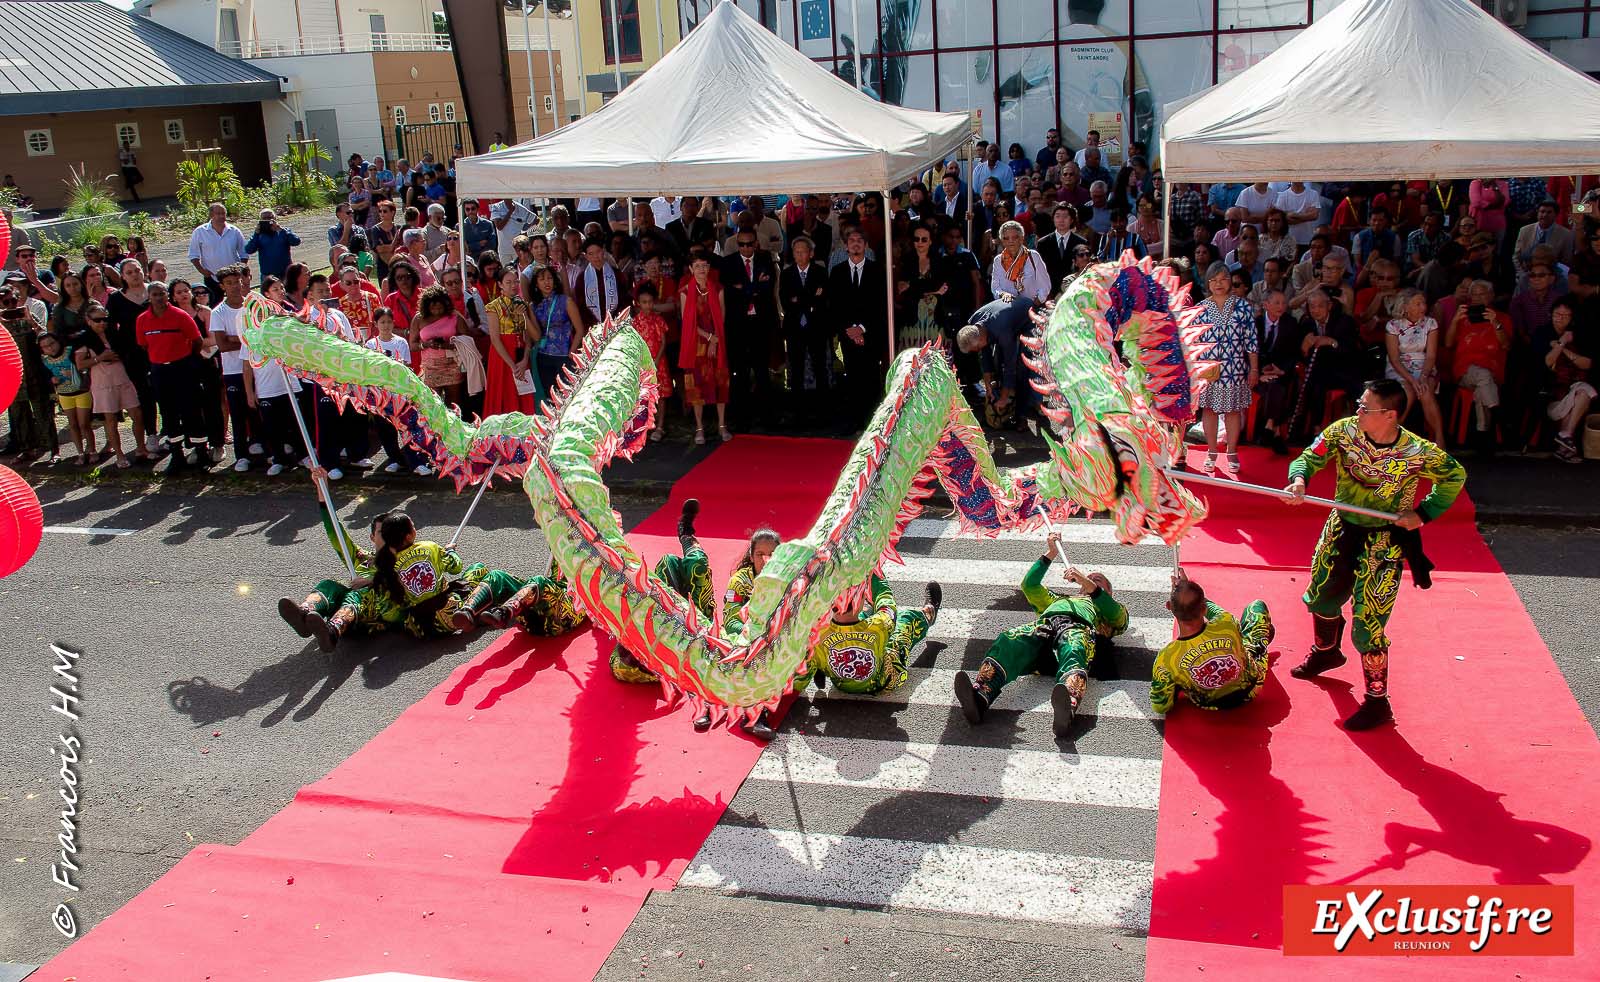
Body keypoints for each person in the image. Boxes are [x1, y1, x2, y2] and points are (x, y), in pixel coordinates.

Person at [1285, 378, 1466, 731]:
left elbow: (1454, 476)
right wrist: (1299, 480)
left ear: (1390, 415)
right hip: (1341, 526)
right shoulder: (1344, 431)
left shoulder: (1417, 452)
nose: (1358, 411)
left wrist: (1424, 513)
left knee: (1368, 627)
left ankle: (1377, 701)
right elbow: (1309, 457)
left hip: (1383, 543)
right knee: (1320, 597)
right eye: (1359, 403)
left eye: (1365, 408)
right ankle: (1326, 652)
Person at [954, 531, 1126, 736]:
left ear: (1108, 594)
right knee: (1009, 640)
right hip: (1046, 625)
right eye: (1089, 580)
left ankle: (1067, 707)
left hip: (1077, 629)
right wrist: (1051, 553)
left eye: (1100, 583)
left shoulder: (1107, 612)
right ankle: (981, 696)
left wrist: (1090, 585)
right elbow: (1030, 586)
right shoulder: (1059, 599)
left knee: (1075, 647)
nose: (1093, 580)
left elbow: (1117, 616)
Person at [1150, 568, 1274, 715]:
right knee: (1256, 607)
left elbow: (1160, 706)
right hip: (1251, 689)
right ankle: (1262, 642)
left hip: (1208, 704)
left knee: (1174, 676)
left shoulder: (1166, 659)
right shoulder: (1226, 623)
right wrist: (1187, 586)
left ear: (1169, 607)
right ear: (1203, 608)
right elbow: (1214, 610)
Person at [811, 572, 941, 699]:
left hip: (842, 684)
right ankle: (928, 614)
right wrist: (873, 570)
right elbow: (886, 602)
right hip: (883, 681)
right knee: (905, 621)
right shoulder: (879, 624)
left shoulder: (818, 632)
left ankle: (820, 667)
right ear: (859, 601)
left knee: (819, 648)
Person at [240, 278, 313, 477]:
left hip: (290, 383)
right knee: (273, 427)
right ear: (265, 296)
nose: (280, 291)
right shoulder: (252, 329)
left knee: (297, 423)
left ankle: (304, 456)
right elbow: (247, 365)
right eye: (275, 289)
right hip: (266, 388)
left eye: (281, 287)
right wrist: (249, 391)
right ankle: (278, 459)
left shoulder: (289, 320)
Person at [135, 280, 208, 469]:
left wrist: (186, 361)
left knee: (191, 411)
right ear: (149, 297)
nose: (159, 298)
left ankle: (201, 453)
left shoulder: (180, 315)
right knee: (168, 413)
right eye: (155, 295)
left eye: (162, 294)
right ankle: (177, 456)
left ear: (168, 295)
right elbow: (143, 345)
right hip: (160, 371)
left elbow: (197, 341)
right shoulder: (142, 319)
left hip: (183, 369)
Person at [1194, 263, 1258, 473]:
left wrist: (1254, 368)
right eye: (1214, 280)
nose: (1218, 284)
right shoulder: (1201, 308)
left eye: (1223, 279)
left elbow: (1251, 341)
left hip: (1235, 365)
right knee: (1209, 409)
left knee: (1232, 410)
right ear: (1208, 283)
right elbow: (1194, 341)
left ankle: (1232, 451)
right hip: (1209, 365)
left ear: (1230, 281)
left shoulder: (1243, 307)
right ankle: (1212, 451)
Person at [77, 300, 148, 468]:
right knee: (111, 420)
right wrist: (100, 358)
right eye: (97, 320)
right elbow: (80, 364)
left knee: (137, 414)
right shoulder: (84, 338)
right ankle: (119, 455)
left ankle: (141, 448)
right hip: (103, 383)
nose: (102, 323)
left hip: (122, 378)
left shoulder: (114, 333)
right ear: (88, 320)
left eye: (104, 319)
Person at [829, 228, 888, 428]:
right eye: (851, 240)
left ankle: (873, 423)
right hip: (847, 335)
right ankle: (854, 420)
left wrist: (862, 328)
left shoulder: (878, 270)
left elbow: (880, 304)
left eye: (859, 240)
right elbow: (835, 306)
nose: (855, 243)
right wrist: (850, 330)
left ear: (865, 245)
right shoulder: (837, 272)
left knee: (871, 376)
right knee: (852, 376)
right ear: (846, 246)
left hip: (871, 333)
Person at [207, 264, 263, 471]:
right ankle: (241, 455)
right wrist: (247, 340)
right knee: (239, 414)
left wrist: (236, 338)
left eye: (237, 281)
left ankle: (264, 449)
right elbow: (222, 345)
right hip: (233, 371)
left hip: (258, 368)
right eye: (229, 283)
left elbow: (262, 337)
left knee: (258, 411)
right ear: (222, 286)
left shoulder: (254, 305)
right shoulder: (218, 312)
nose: (235, 286)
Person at [1446, 279, 1511, 451]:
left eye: (1482, 294)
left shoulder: (1502, 318)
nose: (1477, 298)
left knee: (1483, 384)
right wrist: (1454, 321)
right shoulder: (1462, 318)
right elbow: (1448, 343)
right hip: (1465, 371)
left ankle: (1483, 437)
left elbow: (1506, 345)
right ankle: (1497, 415)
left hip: (1492, 370)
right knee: (1483, 377)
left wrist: (1495, 323)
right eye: (1473, 294)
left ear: (1491, 296)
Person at [721, 227, 779, 409]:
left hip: (760, 323)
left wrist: (744, 289)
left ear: (756, 244)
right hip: (738, 324)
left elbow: (767, 289)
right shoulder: (728, 263)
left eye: (749, 244)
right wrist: (754, 287)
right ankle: (741, 412)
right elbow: (730, 293)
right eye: (741, 244)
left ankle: (765, 412)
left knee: (761, 368)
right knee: (740, 370)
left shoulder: (765, 260)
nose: (745, 248)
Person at [678, 252, 731, 443]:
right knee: (697, 387)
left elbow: (721, 317)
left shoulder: (718, 288)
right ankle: (699, 428)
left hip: (717, 341)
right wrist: (708, 338)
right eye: (698, 266)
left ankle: (722, 425)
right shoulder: (685, 292)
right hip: (696, 343)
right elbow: (688, 322)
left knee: (720, 382)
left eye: (705, 265)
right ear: (691, 269)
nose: (702, 270)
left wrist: (715, 340)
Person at [1384, 288, 1445, 445]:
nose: (1422, 307)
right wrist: (1412, 380)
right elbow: (1394, 359)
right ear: (1405, 306)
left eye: (1423, 303)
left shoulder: (1430, 323)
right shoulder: (1393, 325)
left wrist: (1423, 377)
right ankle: (1393, 433)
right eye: (1417, 304)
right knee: (1408, 393)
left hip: (1423, 365)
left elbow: (1431, 355)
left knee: (1425, 393)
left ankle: (1439, 438)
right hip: (1400, 367)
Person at [779, 235, 830, 411]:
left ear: (811, 253)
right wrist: (810, 299)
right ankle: (797, 409)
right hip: (794, 328)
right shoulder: (786, 274)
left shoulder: (820, 272)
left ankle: (823, 408)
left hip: (816, 327)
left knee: (819, 367)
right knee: (796, 368)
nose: (800, 255)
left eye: (803, 252)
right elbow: (786, 301)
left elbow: (823, 301)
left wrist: (799, 300)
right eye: (796, 252)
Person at [1544, 297, 1594, 463]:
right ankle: (1565, 443)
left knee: (1583, 391)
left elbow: (1587, 364)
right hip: (1551, 393)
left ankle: (1565, 439)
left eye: (1566, 316)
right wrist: (1562, 342)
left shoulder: (1579, 336)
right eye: (1557, 314)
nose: (1560, 319)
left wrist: (1564, 348)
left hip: (1575, 389)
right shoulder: (1542, 333)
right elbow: (1549, 362)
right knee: (1583, 393)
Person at [483, 267, 539, 417]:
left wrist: (525, 359)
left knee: (523, 395)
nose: (513, 285)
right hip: (503, 357)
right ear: (500, 284)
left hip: (520, 354)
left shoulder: (522, 304)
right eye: (508, 282)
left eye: (516, 282)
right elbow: (495, 339)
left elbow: (529, 336)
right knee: (503, 392)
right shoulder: (493, 307)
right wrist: (513, 366)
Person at [1254, 290, 1302, 454]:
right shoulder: (1256, 324)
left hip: (1281, 372)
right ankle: (1274, 431)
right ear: (1265, 304)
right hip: (1259, 371)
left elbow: (1295, 353)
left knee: (1279, 385)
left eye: (1283, 303)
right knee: (1273, 387)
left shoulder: (1290, 323)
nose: (1281, 306)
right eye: (1276, 302)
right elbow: (1249, 352)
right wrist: (1259, 371)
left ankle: (1269, 425)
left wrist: (1282, 370)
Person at [528, 264, 583, 405]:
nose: (547, 282)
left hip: (564, 357)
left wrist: (572, 351)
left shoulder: (566, 301)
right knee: (550, 398)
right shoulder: (533, 306)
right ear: (536, 283)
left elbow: (580, 329)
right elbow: (536, 335)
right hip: (543, 356)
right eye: (542, 279)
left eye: (550, 278)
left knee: (568, 397)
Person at [39, 331, 95, 463]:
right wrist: (51, 380)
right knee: (73, 425)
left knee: (84, 424)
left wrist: (74, 372)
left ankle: (92, 450)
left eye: (52, 343)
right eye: (45, 346)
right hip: (64, 394)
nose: (50, 348)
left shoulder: (70, 351)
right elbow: (45, 377)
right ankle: (80, 453)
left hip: (81, 392)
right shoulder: (45, 360)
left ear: (58, 341)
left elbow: (84, 365)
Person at [188, 203, 248, 303]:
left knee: (238, 304)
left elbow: (244, 253)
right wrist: (203, 271)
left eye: (223, 213)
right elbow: (193, 255)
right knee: (215, 306)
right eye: (218, 213)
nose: (221, 216)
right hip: (212, 278)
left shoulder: (234, 231)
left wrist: (241, 270)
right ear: (211, 215)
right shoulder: (199, 232)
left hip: (233, 277)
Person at [990, 221, 1050, 303]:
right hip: (1008, 307)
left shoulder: (1033, 256)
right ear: (1002, 241)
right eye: (1006, 238)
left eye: (1015, 237)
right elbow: (995, 287)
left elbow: (1045, 285)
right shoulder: (998, 260)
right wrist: (1003, 294)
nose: (1010, 241)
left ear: (1022, 238)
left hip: (1031, 306)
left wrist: (1036, 302)